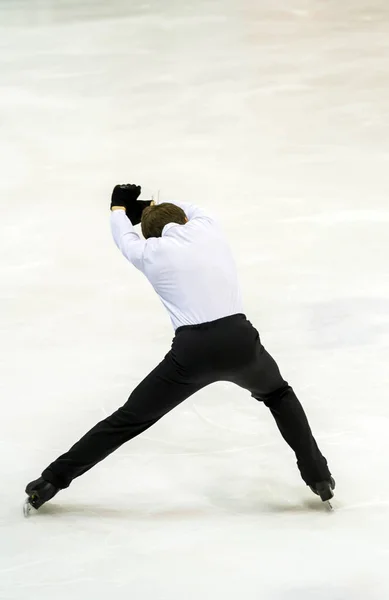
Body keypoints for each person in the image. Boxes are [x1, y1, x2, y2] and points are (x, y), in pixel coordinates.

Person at [25, 183, 334, 512]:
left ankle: (50, 482)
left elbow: (123, 238)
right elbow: (188, 209)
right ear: (185, 220)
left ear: (151, 236)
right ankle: (319, 478)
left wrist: (119, 210)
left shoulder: (149, 253)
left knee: (128, 419)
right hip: (240, 342)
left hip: (192, 354)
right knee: (278, 395)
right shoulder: (207, 228)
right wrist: (151, 205)